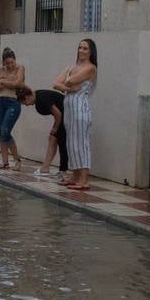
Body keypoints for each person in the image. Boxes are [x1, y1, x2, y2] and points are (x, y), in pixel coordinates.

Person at [54, 38, 97, 191]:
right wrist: (69, 87)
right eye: (80, 47)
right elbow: (56, 84)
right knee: (71, 143)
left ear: (91, 51)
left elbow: (70, 80)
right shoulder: (72, 67)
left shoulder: (91, 68)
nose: (81, 51)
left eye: (85, 48)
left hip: (80, 109)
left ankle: (84, 179)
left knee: (81, 144)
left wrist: (66, 84)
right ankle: (74, 175)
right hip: (70, 109)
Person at [17, 86, 69, 181]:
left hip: (68, 115)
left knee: (62, 141)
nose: (26, 105)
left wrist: (55, 128)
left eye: (25, 103)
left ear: (27, 97)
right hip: (64, 115)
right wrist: (55, 129)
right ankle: (46, 168)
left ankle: (63, 171)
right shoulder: (38, 95)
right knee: (52, 139)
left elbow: (58, 114)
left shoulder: (42, 99)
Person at [0, 48, 26, 170]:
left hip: (13, 102)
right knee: (2, 132)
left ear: (15, 60)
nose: (10, 65)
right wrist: (9, 81)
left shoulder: (20, 68)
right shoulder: (1, 69)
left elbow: (18, 83)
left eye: (12, 62)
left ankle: (17, 160)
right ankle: (5, 162)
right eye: (7, 63)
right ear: (4, 62)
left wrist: (3, 81)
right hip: (0, 102)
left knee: (6, 131)